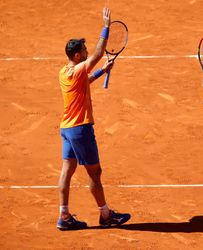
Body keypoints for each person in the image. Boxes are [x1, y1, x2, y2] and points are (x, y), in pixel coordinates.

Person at [57, 7, 130, 230]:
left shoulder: (64, 72)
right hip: (80, 129)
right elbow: (98, 54)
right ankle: (105, 215)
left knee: (66, 171)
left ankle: (64, 216)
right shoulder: (79, 68)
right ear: (77, 56)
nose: (88, 51)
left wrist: (102, 72)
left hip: (66, 129)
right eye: (84, 49)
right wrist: (105, 27)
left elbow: (85, 81)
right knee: (94, 172)